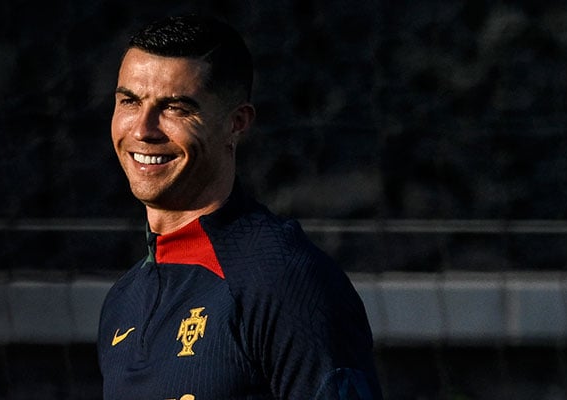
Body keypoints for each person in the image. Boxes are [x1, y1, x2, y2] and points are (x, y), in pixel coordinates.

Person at [97, 14, 383, 400]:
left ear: (236, 123)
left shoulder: (286, 283)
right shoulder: (122, 300)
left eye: (176, 108)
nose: (143, 129)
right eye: (129, 101)